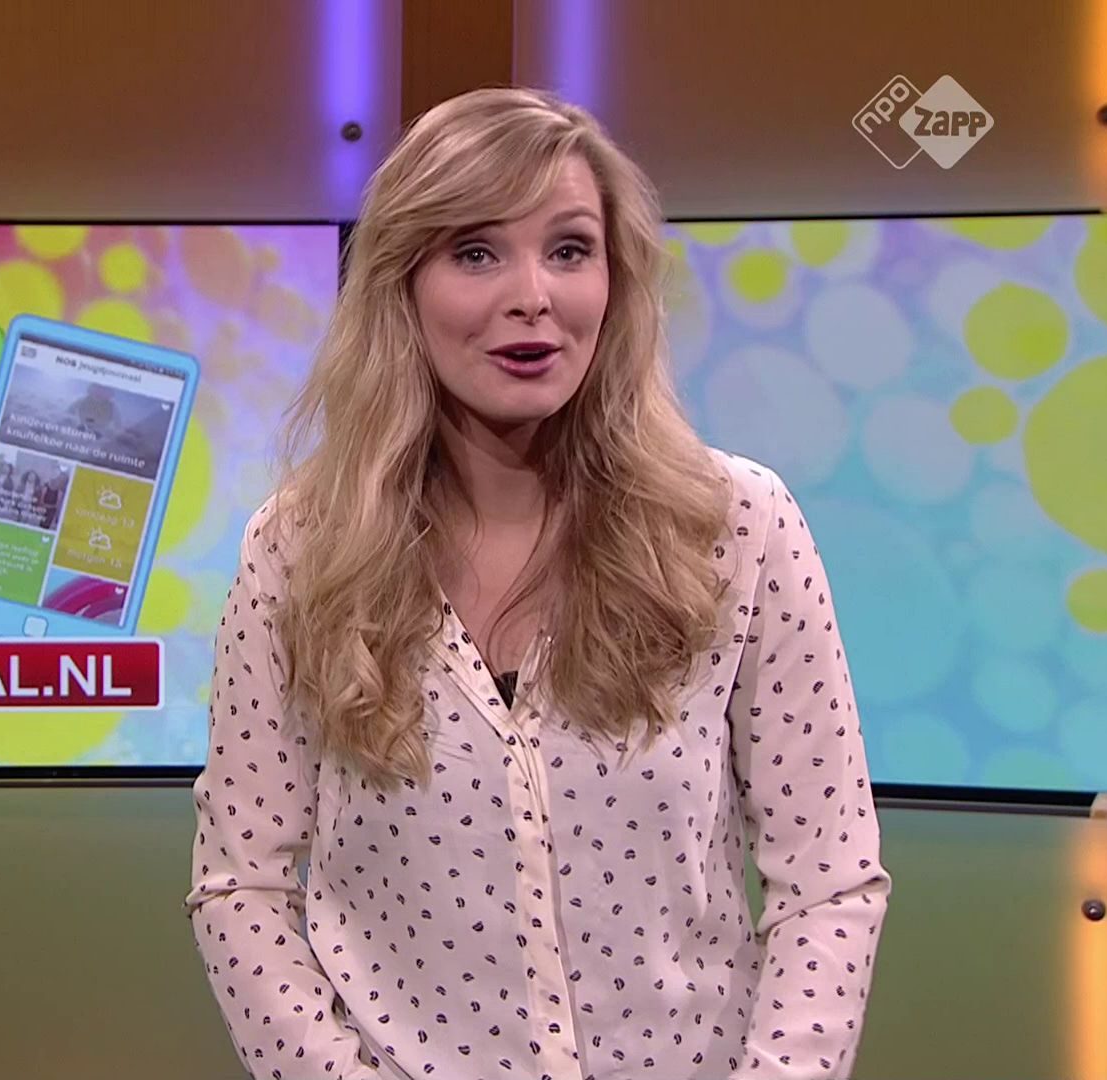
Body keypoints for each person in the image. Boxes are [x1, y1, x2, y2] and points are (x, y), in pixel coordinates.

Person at [185, 88, 890, 1080]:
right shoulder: (301, 550)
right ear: (400, 286)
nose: (533, 296)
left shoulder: (738, 527)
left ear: (614, 280)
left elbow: (829, 881)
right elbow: (241, 885)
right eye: (476, 253)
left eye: (568, 250)